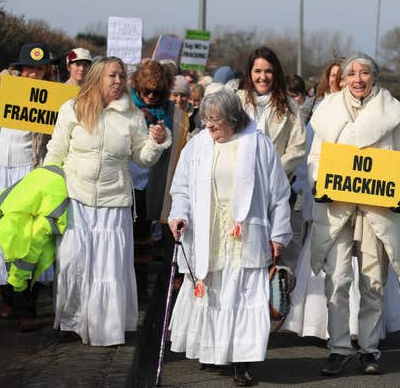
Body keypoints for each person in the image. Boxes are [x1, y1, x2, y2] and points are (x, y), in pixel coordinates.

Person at [167, 88, 291, 386]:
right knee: (213, 292)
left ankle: (241, 361)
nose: (209, 127)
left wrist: (279, 234)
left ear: (234, 119)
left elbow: (279, 193)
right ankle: (213, 352)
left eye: (216, 121)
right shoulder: (197, 146)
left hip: (246, 233)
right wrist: (179, 213)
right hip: (208, 231)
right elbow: (181, 187)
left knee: (242, 295)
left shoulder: (257, 145)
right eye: (206, 120)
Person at [43, 56, 171, 346]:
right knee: (73, 262)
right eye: (112, 76)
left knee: (108, 267)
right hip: (76, 198)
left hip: (114, 203)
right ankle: (70, 322)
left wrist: (156, 142)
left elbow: (143, 158)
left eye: (121, 76)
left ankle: (106, 326)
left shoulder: (132, 115)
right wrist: (45, 187)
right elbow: (55, 153)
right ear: (97, 78)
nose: (118, 81)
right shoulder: (72, 109)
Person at [308, 53, 400, 376]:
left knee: (373, 281)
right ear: (342, 78)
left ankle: (369, 349)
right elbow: (316, 157)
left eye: (365, 72)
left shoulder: (392, 112)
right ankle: (339, 346)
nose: (358, 79)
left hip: (376, 208)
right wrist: (318, 183)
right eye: (352, 73)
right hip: (338, 206)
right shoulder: (326, 112)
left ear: (374, 77)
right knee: (338, 279)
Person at [0, 42, 59, 332]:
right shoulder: (3, 90)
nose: (33, 74)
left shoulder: (52, 98)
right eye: (28, 68)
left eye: (39, 68)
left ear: (47, 71)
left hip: (28, 173)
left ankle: (26, 307)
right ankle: (7, 297)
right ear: (18, 69)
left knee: (27, 239)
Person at [128, 60, 187, 300]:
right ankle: (132, 286)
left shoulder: (173, 114)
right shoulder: (125, 108)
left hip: (156, 184)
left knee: (146, 238)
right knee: (129, 238)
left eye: (158, 92)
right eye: (147, 91)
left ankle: (142, 288)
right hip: (128, 182)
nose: (152, 96)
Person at [238, 47, 306, 181]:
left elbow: (297, 147)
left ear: (276, 73)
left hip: (274, 183)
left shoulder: (289, 105)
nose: (263, 77)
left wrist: (276, 171)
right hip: (239, 180)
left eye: (268, 71)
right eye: (257, 71)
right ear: (250, 73)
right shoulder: (236, 101)